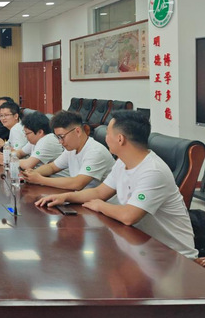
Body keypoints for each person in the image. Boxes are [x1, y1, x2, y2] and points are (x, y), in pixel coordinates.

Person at [36, 110, 198, 259]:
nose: (105, 138)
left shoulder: (153, 171)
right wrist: (65, 197)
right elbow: (99, 192)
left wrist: (100, 205)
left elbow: (129, 216)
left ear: (120, 139)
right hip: (140, 245)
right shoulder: (122, 162)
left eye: (108, 134)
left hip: (172, 256)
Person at [23, 110, 115, 190]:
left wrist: (40, 179)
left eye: (61, 137)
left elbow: (77, 183)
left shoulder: (95, 152)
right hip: (82, 198)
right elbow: (52, 167)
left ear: (77, 131)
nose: (60, 142)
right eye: (58, 137)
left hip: (103, 202)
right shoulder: (71, 149)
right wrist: (32, 174)